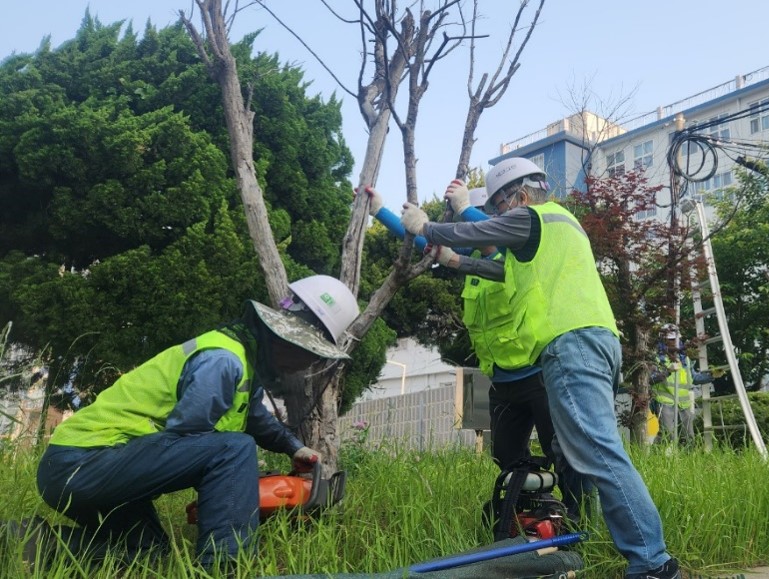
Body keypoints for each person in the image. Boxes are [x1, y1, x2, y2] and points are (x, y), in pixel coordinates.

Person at [400, 157, 680, 579]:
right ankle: (625, 550)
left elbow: (477, 232)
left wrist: (427, 226)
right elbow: (496, 268)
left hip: (571, 344)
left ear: (523, 197)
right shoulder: (559, 226)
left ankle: (652, 563)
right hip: (594, 341)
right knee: (586, 453)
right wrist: (456, 262)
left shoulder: (532, 218)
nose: (497, 216)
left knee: (598, 454)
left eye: (499, 207)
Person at [33, 275, 359, 569]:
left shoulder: (243, 362)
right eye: (308, 353)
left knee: (147, 554)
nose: (307, 363)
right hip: (82, 463)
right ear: (285, 339)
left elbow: (254, 419)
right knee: (234, 448)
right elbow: (192, 438)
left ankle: (27, 542)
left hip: (92, 469)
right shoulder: (223, 360)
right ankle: (225, 566)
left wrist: (295, 448)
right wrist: (239, 491)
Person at [365, 182, 588, 523]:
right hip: (499, 379)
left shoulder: (514, 261)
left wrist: (463, 212)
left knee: (563, 453)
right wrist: (379, 210)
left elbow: (479, 234)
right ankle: (533, 509)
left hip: (537, 374)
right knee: (506, 456)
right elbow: (428, 241)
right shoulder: (468, 262)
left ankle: (582, 519)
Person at [650, 324, 697, 446]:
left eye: (675, 339)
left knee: (688, 437)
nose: (673, 342)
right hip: (665, 401)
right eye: (670, 339)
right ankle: (655, 459)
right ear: (663, 340)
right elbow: (650, 379)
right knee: (667, 435)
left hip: (683, 403)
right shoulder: (657, 358)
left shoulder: (684, 359)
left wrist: (712, 375)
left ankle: (687, 463)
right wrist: (667, 372)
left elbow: (694, 378)